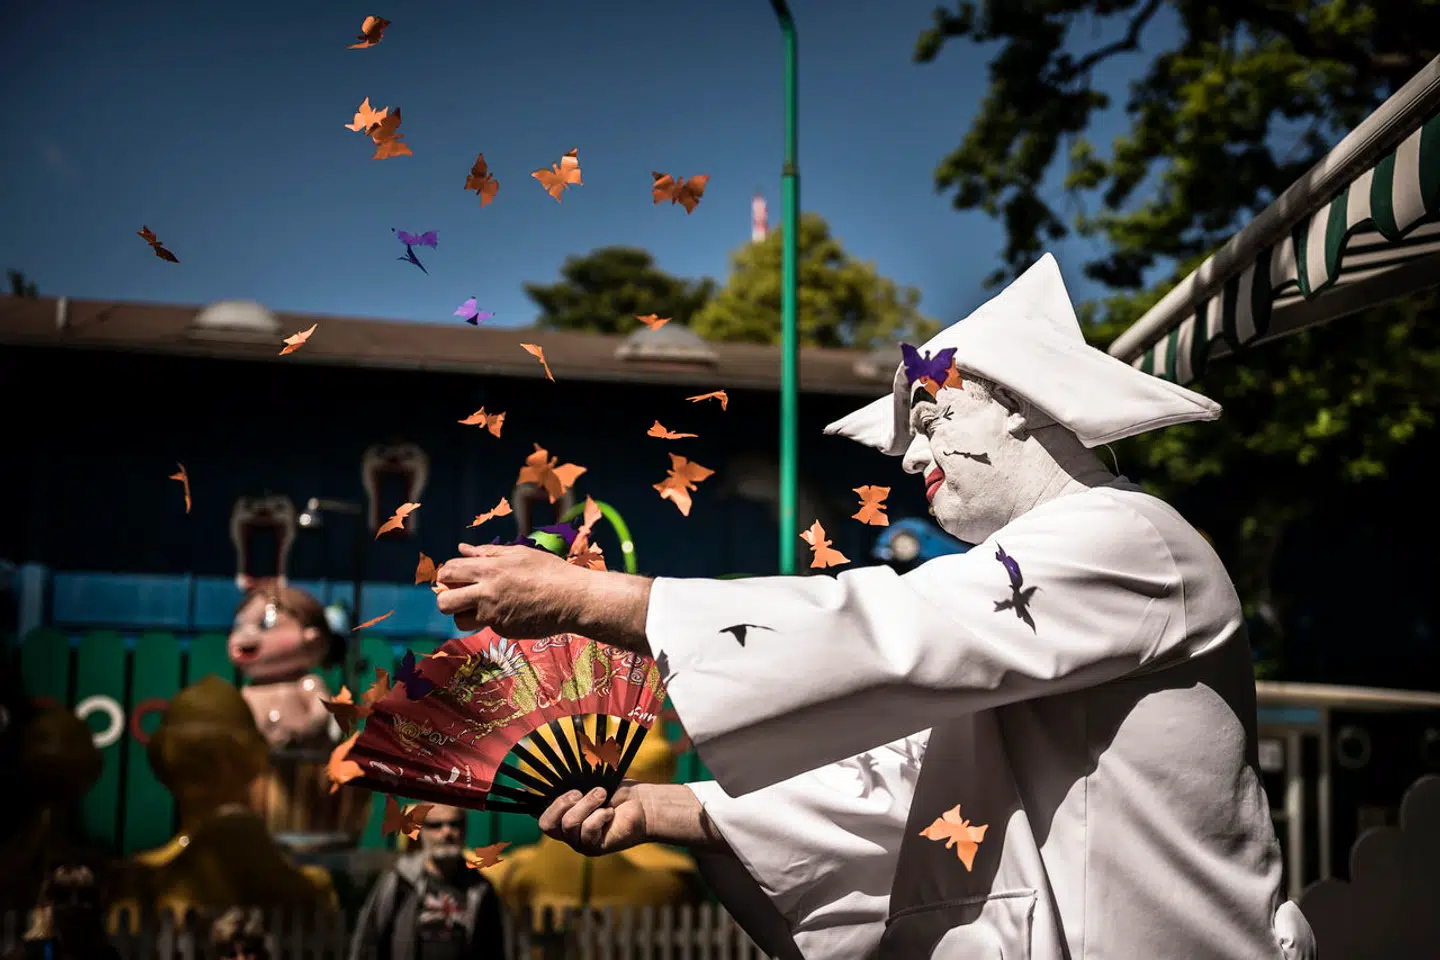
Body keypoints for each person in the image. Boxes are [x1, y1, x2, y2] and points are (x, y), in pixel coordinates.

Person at [432, 255, 1319, 959]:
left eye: (930, 422)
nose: (908, 458)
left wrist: (591, 595)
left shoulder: (1129, 536)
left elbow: (897, 631)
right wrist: (666, 811)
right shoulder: (1053, 571)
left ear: (1018, 408)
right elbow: (907, 788)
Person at [348, 805, 509, 960]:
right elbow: (368, 941)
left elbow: (495, 950)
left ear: (465, 828)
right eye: (435, 825)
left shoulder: (480, 888)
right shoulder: (399, 882)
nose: (446, 832)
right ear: (421, 831)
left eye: (454, 824)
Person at [7, 861, 121, 960]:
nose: (73, 905)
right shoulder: (28, 955)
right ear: (48, 906)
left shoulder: (107, 956)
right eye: (63, 897)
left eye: (84, 897)